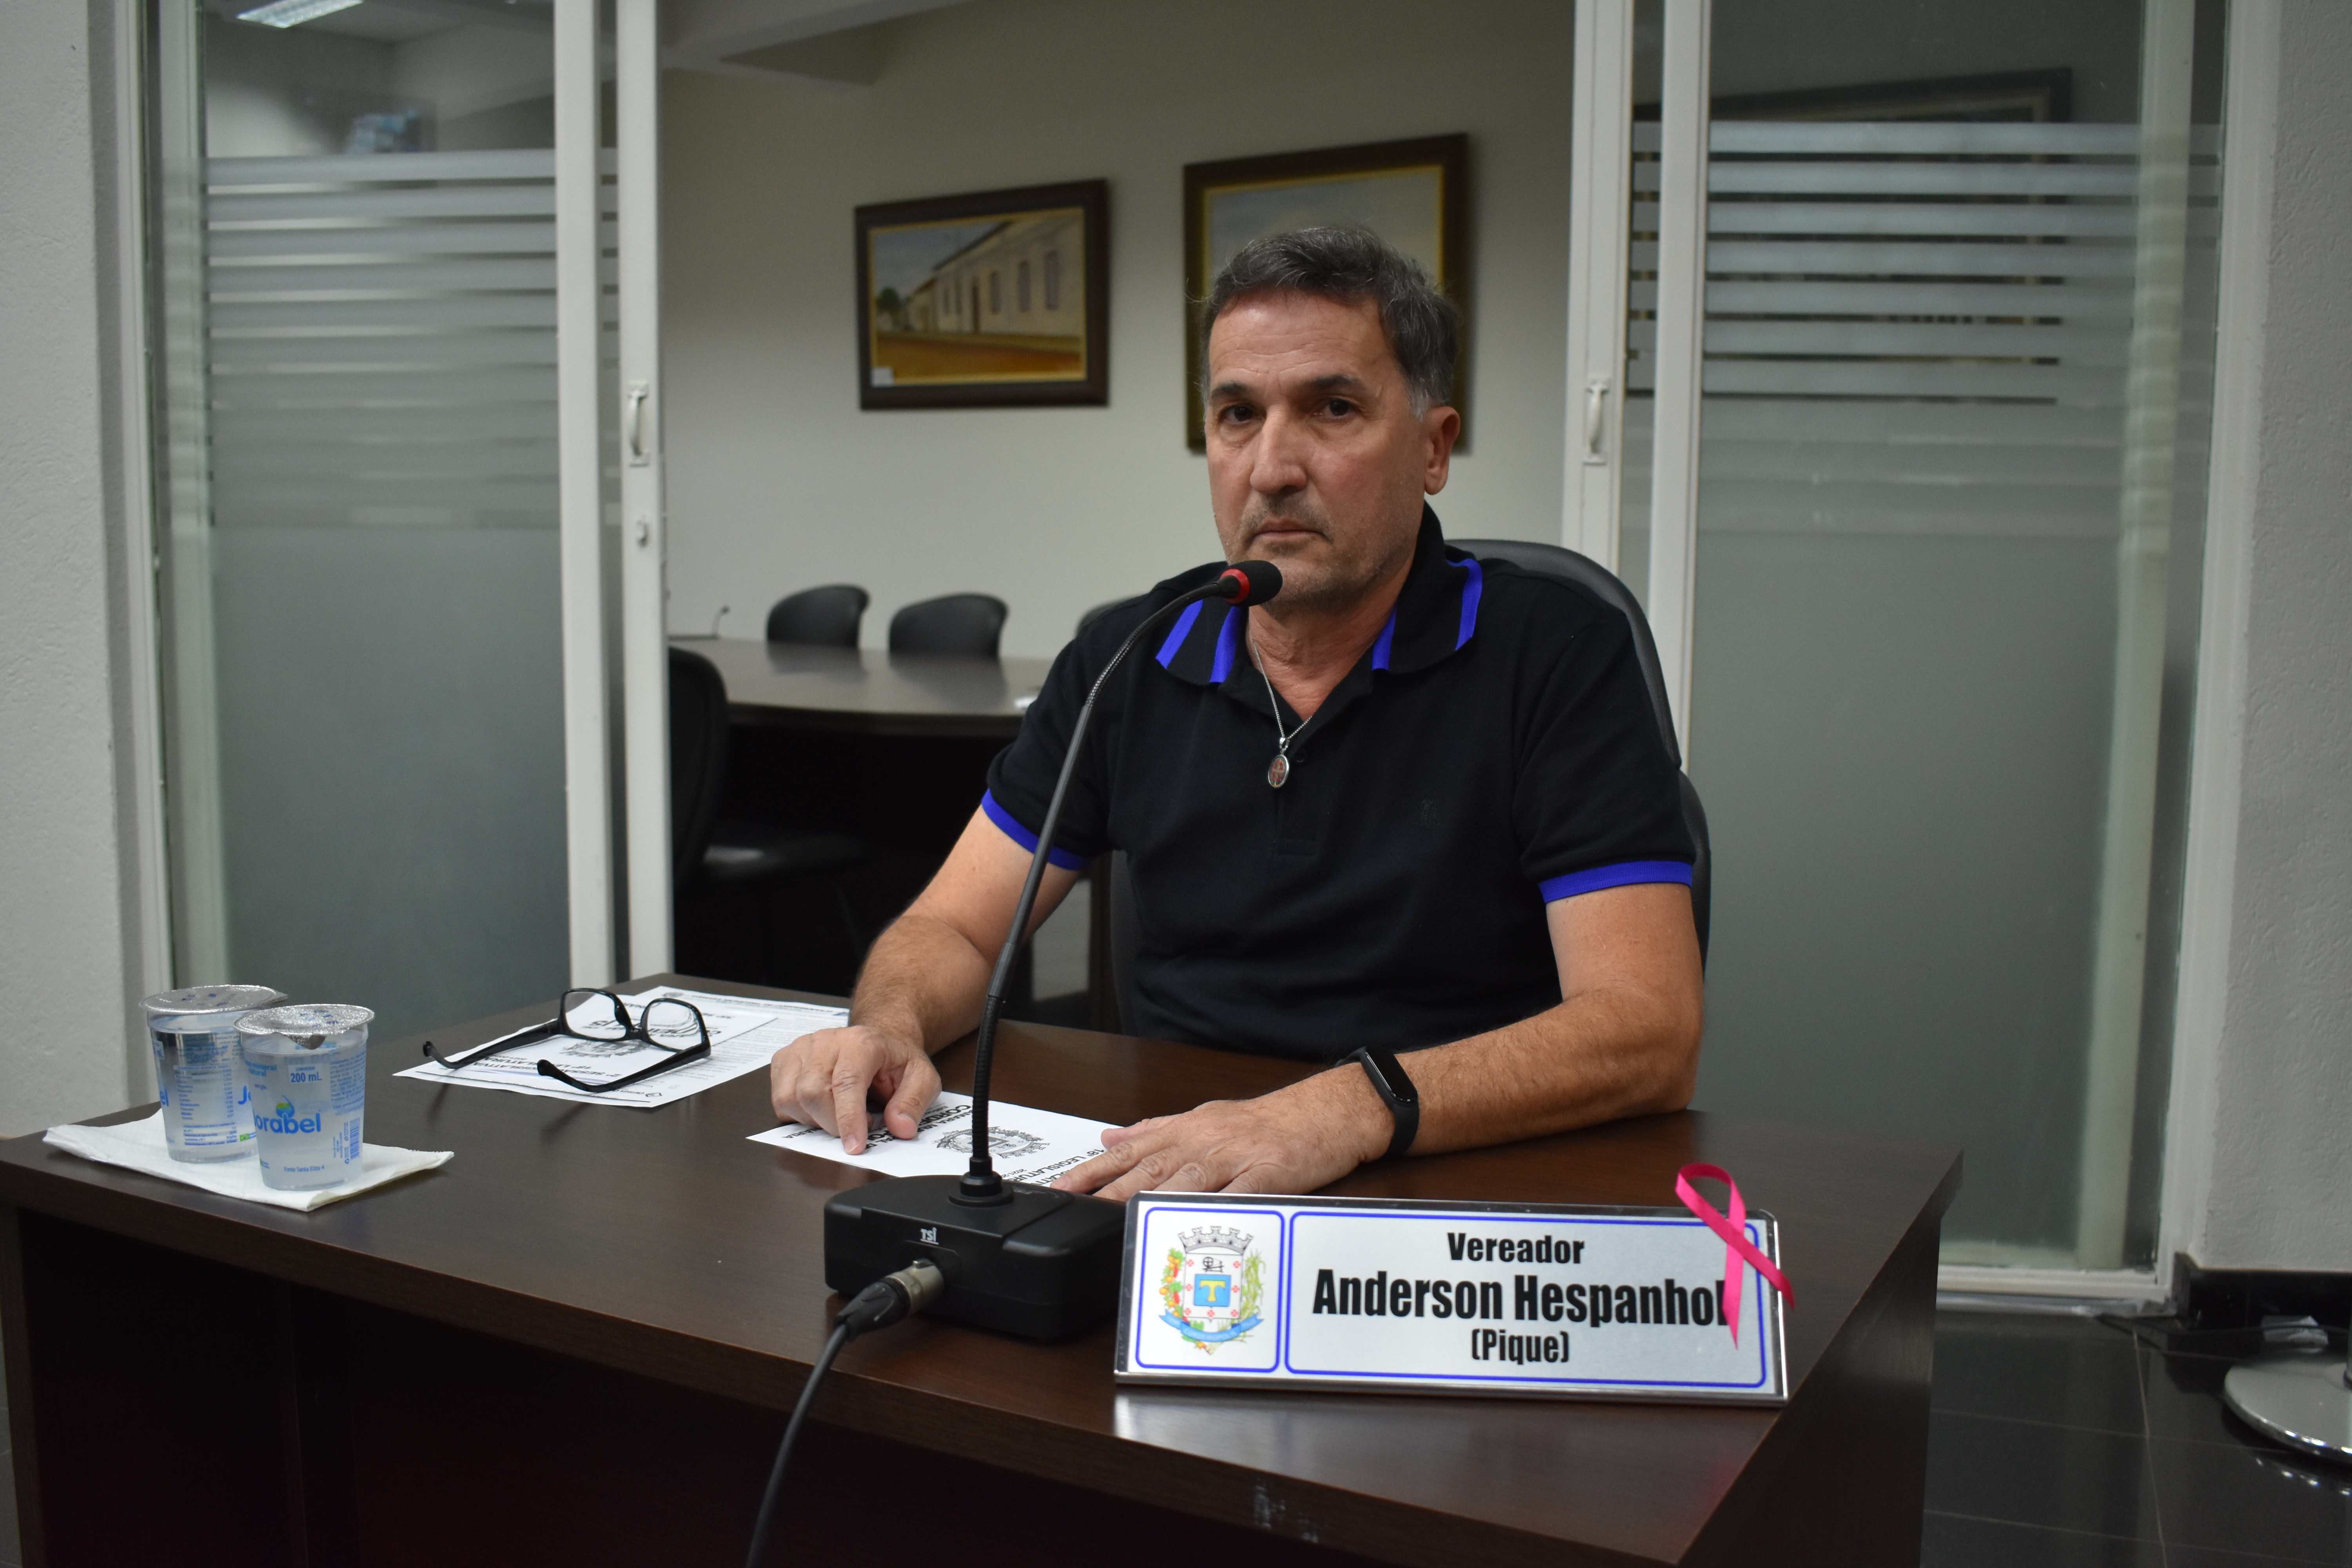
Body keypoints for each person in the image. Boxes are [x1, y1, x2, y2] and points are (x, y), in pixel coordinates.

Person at [770, 227, 1702, 1200]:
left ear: (1433, 448)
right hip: (1176, 1173)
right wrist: (887, 1025)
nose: (1271, 467)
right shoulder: (1133, 654)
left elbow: (1648, 1027)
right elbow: (956, 929)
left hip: (1454, 1185)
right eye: (1238, 415)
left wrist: (1343, 1109)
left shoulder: (1556, 651)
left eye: (1333, 408)